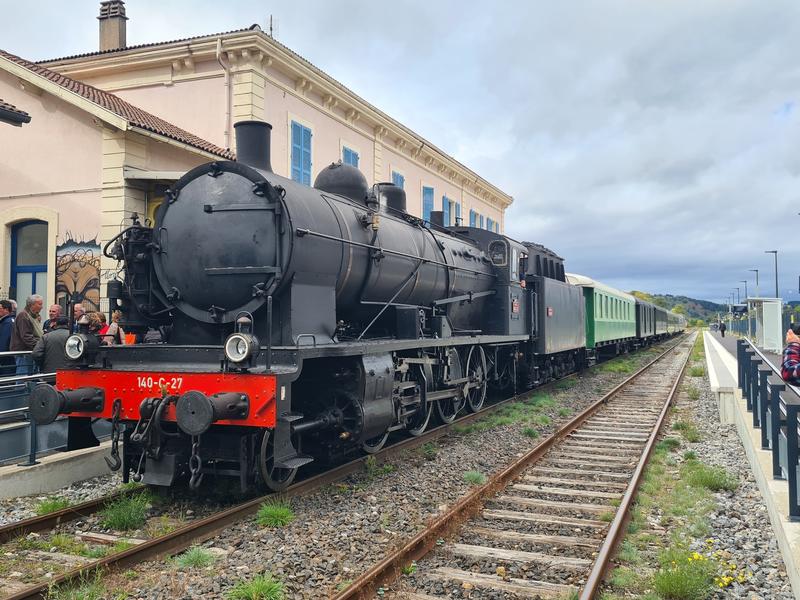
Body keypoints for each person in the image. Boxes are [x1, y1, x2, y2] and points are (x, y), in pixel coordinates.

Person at [10, 294, 43, 375]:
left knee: (28, 376)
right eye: (40, 304)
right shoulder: (23, 316)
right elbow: (26, 337)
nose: (42, 307)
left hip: (29, 351)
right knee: (23, 376)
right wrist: (40, 346)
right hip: (24, 352)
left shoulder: (33, 316)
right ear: (32, 305)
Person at [0, 300, 15, 375]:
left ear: (6, 309)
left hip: (5, 360)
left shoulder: (7, 323)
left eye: (0, 308)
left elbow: (3, 343)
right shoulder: (11, 321)